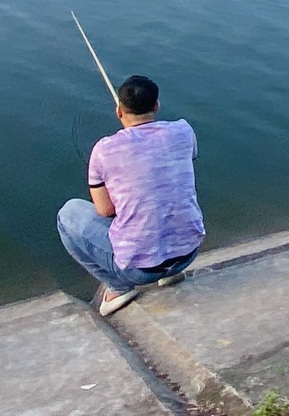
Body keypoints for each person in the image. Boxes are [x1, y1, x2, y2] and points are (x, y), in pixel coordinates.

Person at [58, 75, 205, 317]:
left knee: (68, 215)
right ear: (156, 105)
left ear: (119, 111)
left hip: (139, 271)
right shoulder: (183, 131)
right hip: (188, 253)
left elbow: (105, 210)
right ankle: (171, 273)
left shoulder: (103, 150)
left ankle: (119, 288)